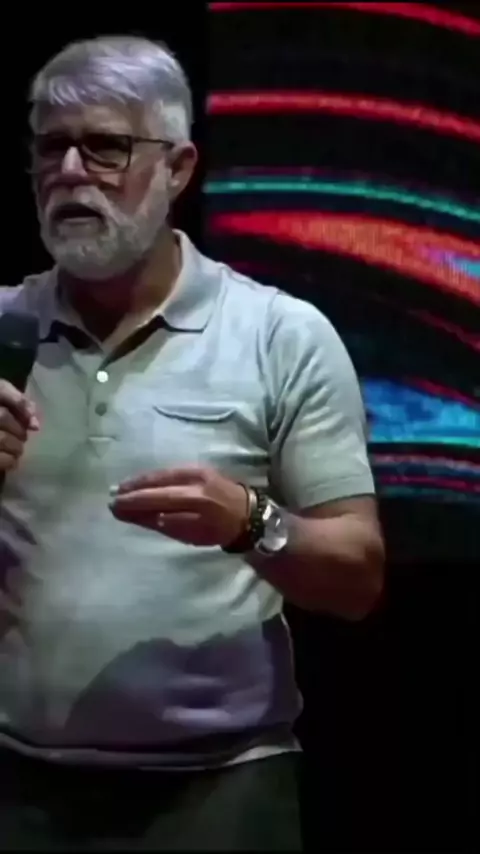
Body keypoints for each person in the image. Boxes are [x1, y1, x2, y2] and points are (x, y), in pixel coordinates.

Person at [0, 35, 384, 851]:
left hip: (222, 790)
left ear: (177, 169)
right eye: (49, 148)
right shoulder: (4, 326)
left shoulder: (280, 335)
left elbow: (357, 577)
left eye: (105, 147)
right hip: (19, 785)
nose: (69, 171)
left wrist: (251, 522)